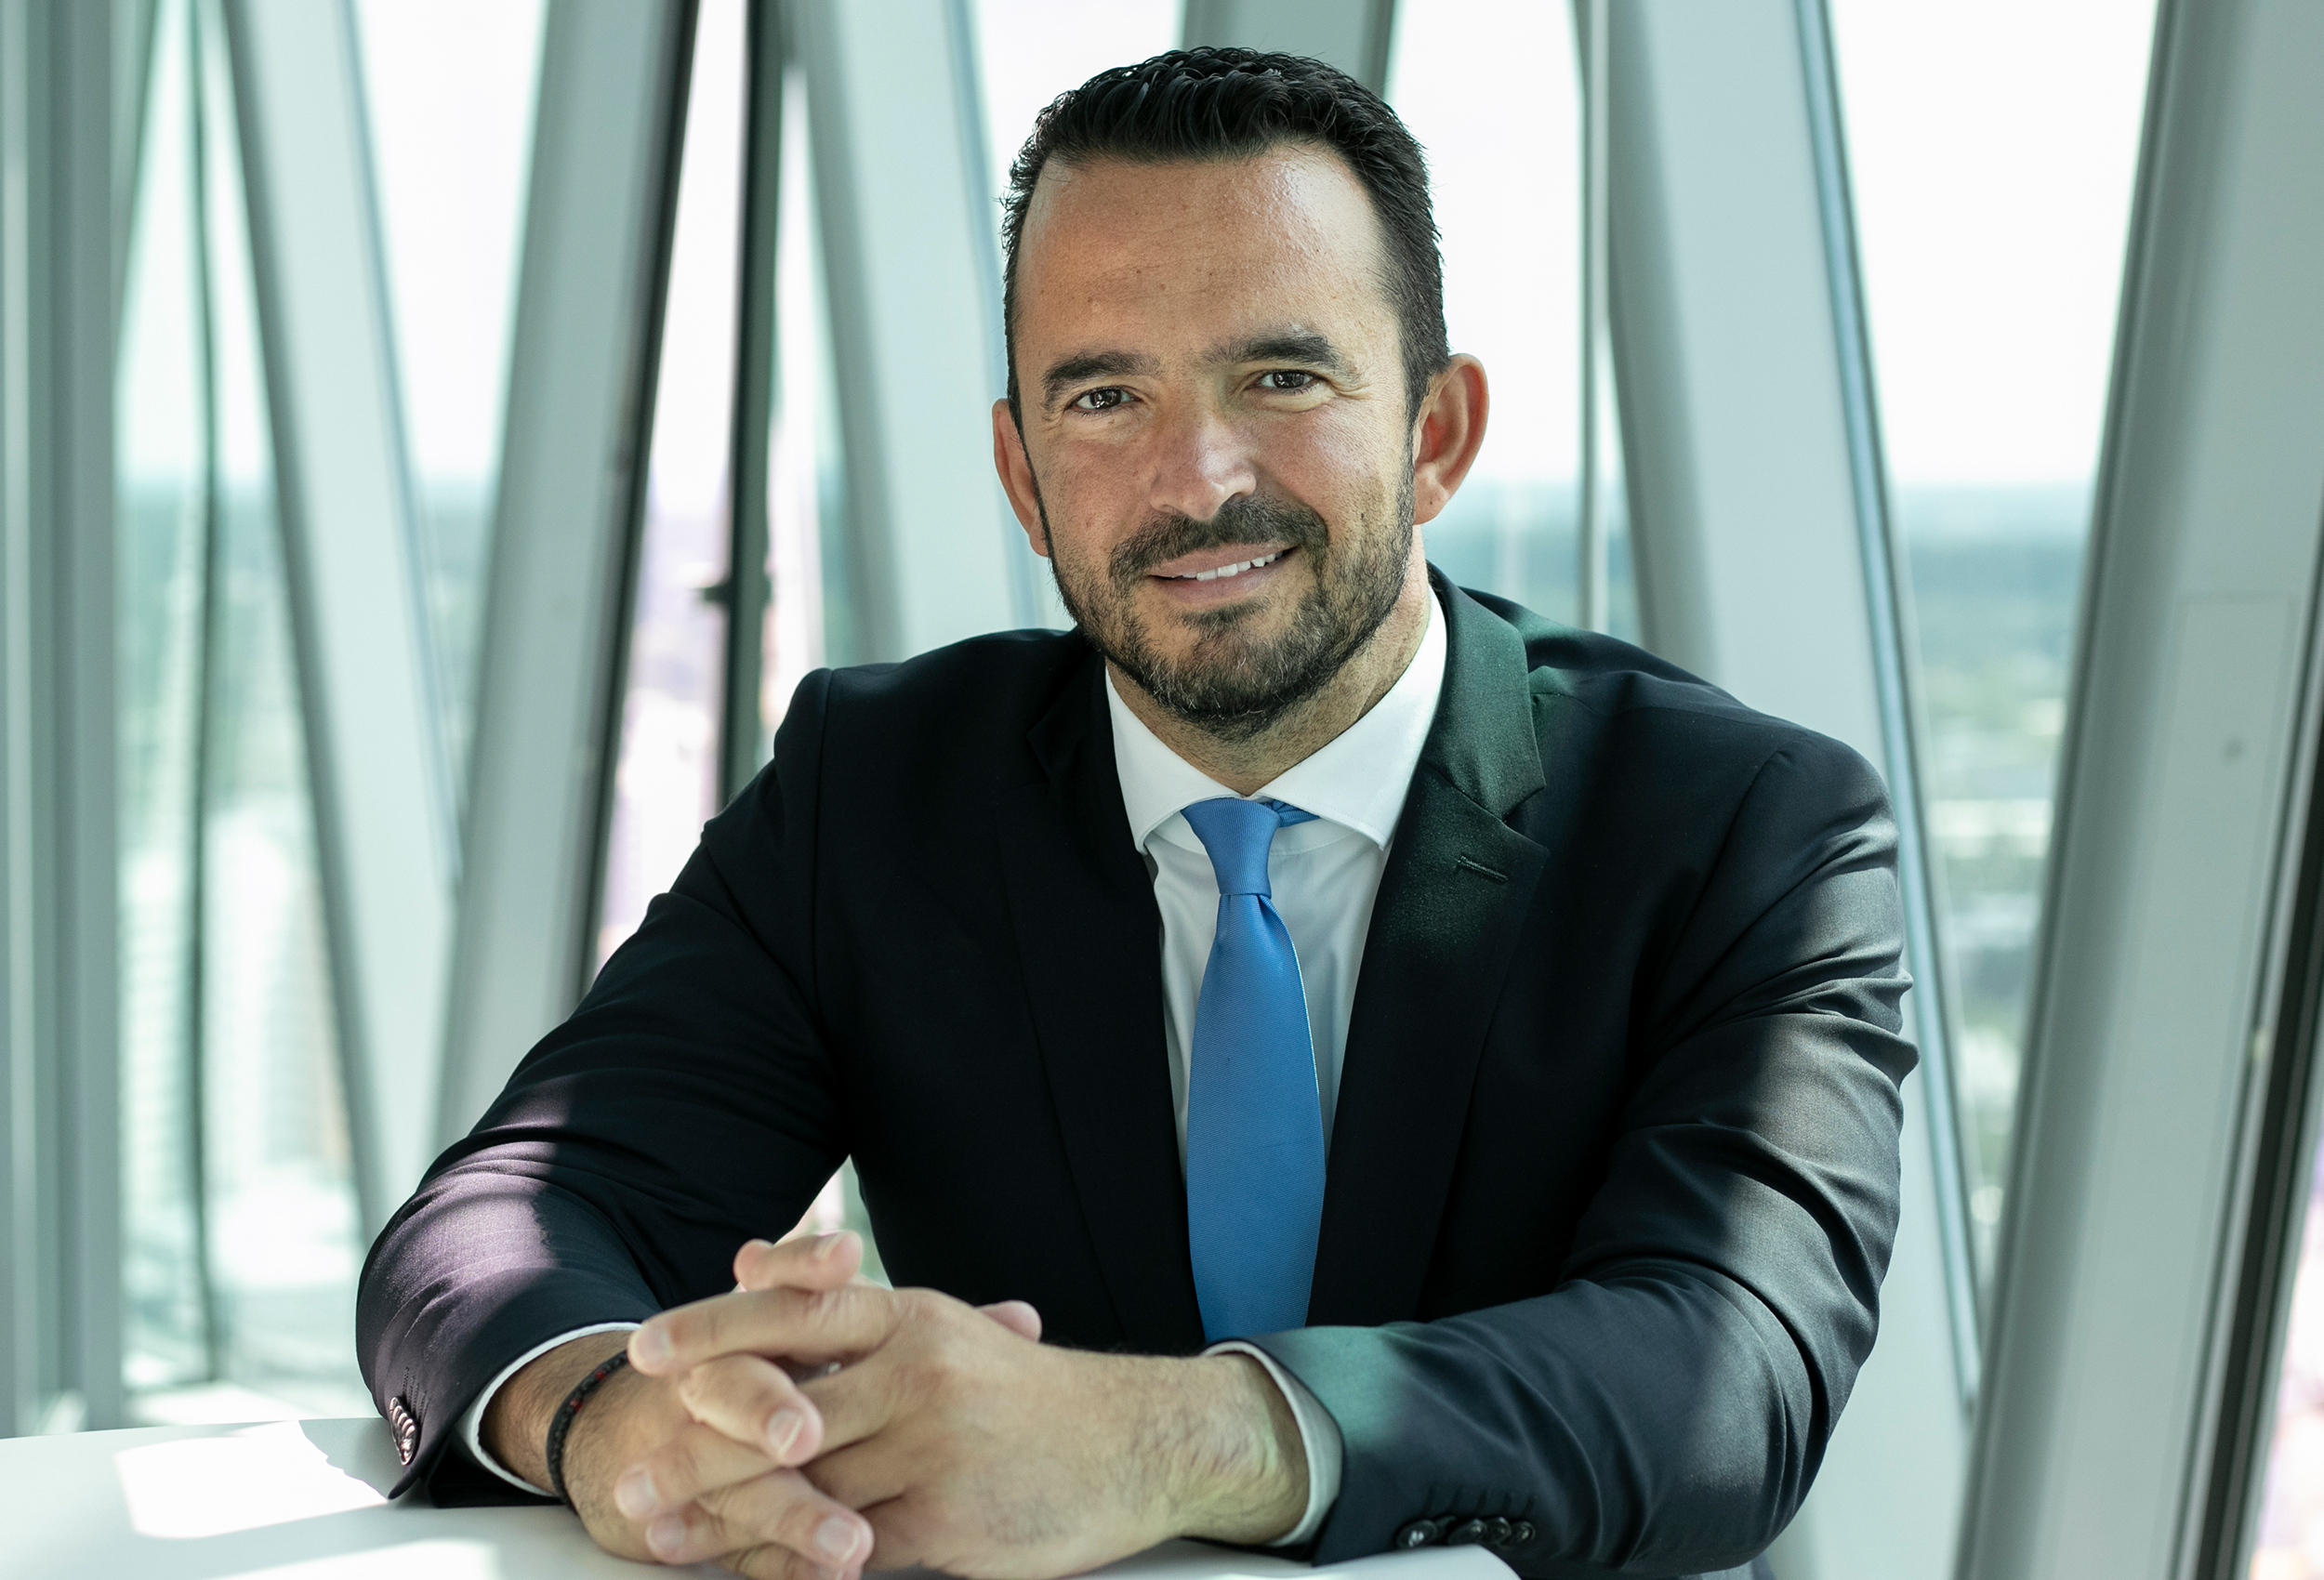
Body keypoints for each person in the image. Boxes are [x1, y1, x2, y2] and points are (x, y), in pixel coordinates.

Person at [358, 46, 1912, 1580]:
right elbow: (501, 1223)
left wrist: (1170, 1438)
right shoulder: (875, 793)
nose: (1195, 478)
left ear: (1435, 434)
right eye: (1104, 397)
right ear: (1021, 474)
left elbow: (1729, 1371)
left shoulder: (1743, 828)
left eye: (1281, 377)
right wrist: (613, 1417)